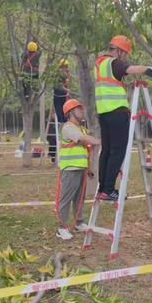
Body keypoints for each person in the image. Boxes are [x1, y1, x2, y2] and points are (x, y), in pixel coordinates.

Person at [94, 35, 152, 201]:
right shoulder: (115, 62)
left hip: (103, 113)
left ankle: (103, 188)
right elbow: (131, 69)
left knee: (107, 152)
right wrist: (149, 70)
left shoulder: (100, 63)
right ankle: (109, 189)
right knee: (118, 151)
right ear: (120, 51)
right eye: (125, 54)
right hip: (117, 113)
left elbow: (113, 84)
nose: (125, 58)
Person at [56, 99, 100, 240]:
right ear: (70, 112)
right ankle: (61, 228)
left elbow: (86, 146)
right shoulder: (68, 128)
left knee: (79, 198)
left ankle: (79, 223)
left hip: (81, 168)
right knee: (66, 198)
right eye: (78, 109)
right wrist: (98, 141)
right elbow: (83, 139)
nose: (82, 111)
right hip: (70, 169)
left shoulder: (81, 128)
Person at [54, 59, 71, 123]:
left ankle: (62, 120)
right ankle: (63, 120)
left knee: (60, 107)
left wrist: (67, 90)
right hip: (63, 92)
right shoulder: (66, 74)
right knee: (61, 107)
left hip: (60, 93)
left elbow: (59, 85)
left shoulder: (60, 73)